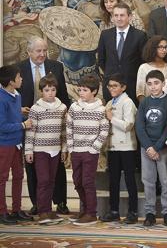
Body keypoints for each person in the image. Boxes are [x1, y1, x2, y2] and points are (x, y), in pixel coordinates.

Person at [18, 36, 70, 216]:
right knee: (33, 166)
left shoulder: (56, 67)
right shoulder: (20, 68)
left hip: (54, 125)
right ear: (29, 52)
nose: (42, 54)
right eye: (38, 51)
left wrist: (66, 116)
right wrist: (19, 110)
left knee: (58, 167)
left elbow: (63, 94)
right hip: (30, 124)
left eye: (44, 50)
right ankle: (38, 203)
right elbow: (12, 95)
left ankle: (61, 201)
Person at [67, 74, 109, 226]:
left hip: (90, 152)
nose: (81, 93)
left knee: (87, 182)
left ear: (94, 91)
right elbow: (69, 127)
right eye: (80, 90)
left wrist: (94, 148)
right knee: (77, 182)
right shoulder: (74, 107)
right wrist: (71, 147)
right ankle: (85, 209)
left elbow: (104, 130)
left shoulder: (101, 109)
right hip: (76, 150)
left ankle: (91, 213)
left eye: (84, 90)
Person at [24, 74, 66, 225]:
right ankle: (42, 211)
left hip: (55, 149)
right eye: (47, 90)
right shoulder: (36, 109)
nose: (50, 92)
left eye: (53, 90)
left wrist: (64, 149)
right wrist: (28, 151)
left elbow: (63, 131)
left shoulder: (62, 108)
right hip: (40, 150)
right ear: (41, 91)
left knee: (52, 181)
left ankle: (49, 210)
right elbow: (30, 131)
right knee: (43, 180)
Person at [135, 70, 167, 227]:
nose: (153, 87)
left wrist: (157, 147)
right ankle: (149, 212)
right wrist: (149, 147)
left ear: (163, 83)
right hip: (147, 148)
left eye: (156, 83)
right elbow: (139, 126)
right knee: (148, 181)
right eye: (149, 84)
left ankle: (166, 212)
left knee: (165, 181)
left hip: (163, 148)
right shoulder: (144, 102)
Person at [100, 73, 138, 224]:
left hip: (126, 147)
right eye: (110, 86)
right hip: (113, 147)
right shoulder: (109, 103)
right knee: (113, 180)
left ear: (123, 87)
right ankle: (114, 211)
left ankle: (133, 212)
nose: (112, 88)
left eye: (115, 86)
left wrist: (111, 118)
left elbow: (128, 125)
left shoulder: (128, 102)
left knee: (129, 180)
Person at [0, 65, 33, 225]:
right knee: (2, 178)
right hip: (4, 144)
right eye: (19, 76)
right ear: (11, 81)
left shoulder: (16, 95)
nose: (21, 79)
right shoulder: (1, 98)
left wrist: (21, 115)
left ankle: (16, 209)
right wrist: (23, 125)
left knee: (19, 176)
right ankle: (1, 211)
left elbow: (12, 118)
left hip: (17, 143)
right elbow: (2, 126)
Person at [97, 2, 147, 105]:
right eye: (116, 15)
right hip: (110, 86)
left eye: (122, 15)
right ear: (112, 18)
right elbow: (101, 60)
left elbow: (143, 61)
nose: (119, 18)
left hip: (131, 86)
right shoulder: (105, 35)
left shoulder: (140, 36)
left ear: (130, 17)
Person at [136, 35, 167, 102]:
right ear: (153, 48)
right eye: (161, 47)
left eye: (165, 47)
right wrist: (147, 107)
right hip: (148, 106)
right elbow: (140, 93)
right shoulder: (144, 67)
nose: (164, 50)